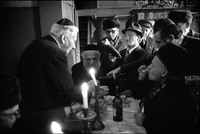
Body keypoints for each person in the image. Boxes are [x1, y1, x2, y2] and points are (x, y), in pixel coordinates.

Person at [16, 18, 95, 133]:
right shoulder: (54, 52)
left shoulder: (39, 44)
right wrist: (90, 89)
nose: (73, 46)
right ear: (64, 38)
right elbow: (69, 92)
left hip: (28, 108)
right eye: (74, 41)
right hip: (41, 115)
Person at [135, 43, 198, 134]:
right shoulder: (159, 84)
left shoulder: (181, 98)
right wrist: (141, 79)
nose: (148, 67)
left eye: (153, 65)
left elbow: (171, 128)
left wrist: (145, 121)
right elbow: (141, 94)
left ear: (164, 72)